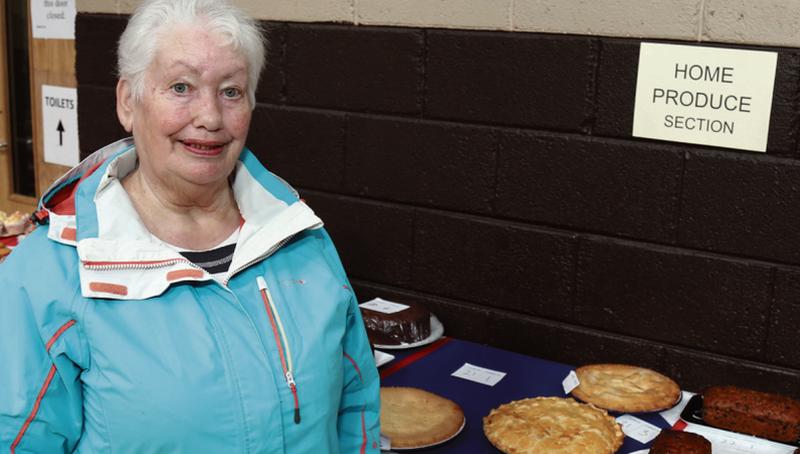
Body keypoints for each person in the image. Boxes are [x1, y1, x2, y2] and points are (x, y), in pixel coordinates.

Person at [0, 0, 381, 452]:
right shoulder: (47, 274)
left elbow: (355, 403)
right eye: (181, 87)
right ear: (128, 101)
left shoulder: (300, 236)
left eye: (231, 92)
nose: (211, 118)